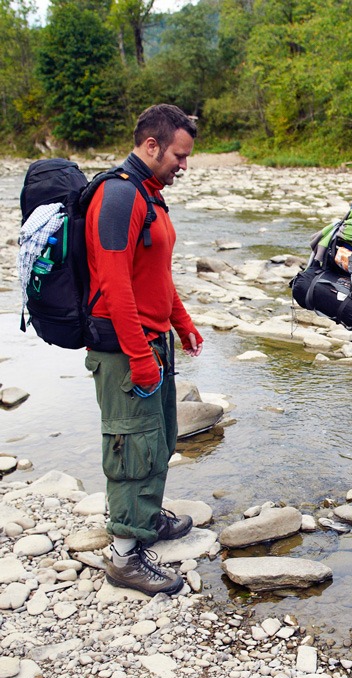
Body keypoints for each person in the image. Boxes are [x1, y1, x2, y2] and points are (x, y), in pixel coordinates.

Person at [85, 104, 203, 595]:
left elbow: (155, 277)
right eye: (178, 155)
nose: (184, 164)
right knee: (132, 445)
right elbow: (114, 286)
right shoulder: (118, 197)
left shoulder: (150, 196)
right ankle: (124, 557)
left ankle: (147, 519)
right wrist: (138, 357)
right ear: (151, 145)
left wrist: (182, 323)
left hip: (151, 343)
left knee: (158, 437)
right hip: (124, 349)